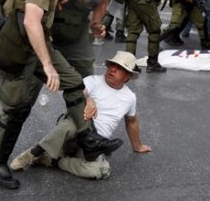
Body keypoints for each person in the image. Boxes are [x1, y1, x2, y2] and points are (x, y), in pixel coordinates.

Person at [0, 0, 123, 190]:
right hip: (17, 48)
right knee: (16, 109)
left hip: (38, 45)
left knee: (74, 82)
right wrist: (48, 66)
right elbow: (31, 21)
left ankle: (88, 138)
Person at [10, 51, 151, 179]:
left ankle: (53, 160)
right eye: (112, 65)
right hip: (75, 130)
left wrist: (138, 146)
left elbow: (131, 121)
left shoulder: (130, 97)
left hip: (94, 144)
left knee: (99, 171)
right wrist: (89, 99)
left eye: (120, 68)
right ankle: (34, 152)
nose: (113, 69)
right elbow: (77, 91)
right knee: (70, 123)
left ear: (127, 76)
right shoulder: (93, 80)